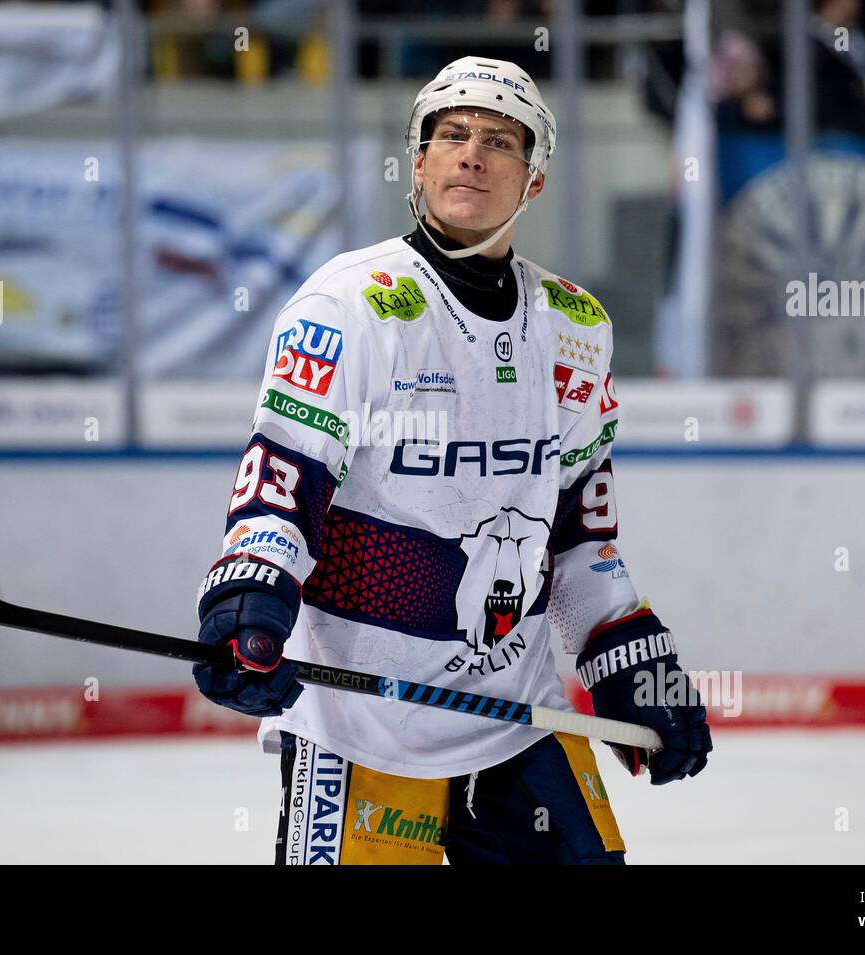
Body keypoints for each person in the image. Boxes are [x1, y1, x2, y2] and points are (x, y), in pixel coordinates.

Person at [192, 55, 712, 865]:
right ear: (421, 161)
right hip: (356, 726)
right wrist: (251, 600)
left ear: (534, 179)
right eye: (452, 134)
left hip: (517, 718)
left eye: (500, 141)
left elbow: (580, 538)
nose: (472, 152)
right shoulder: (351, 306)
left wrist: (630, 659)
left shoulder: (578, 328)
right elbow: (280, 487)